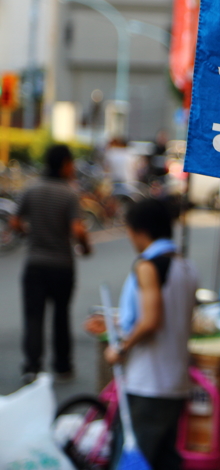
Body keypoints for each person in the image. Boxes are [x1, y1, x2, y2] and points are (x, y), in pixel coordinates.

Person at [106, 198, 198, 470]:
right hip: (176, 382)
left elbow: (151, 321)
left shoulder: (147, 266)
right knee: (163, 458)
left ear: (139, 230)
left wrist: (120, 349)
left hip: (148, 383)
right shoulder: (187, 267)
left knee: (131, 459)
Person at [10, 144, 90, 383]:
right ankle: (62, 366)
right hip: (62, 265)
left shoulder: (31, 189)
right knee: (61, 315)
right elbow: (77, 229)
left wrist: (29, 233)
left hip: (35, 264)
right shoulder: (69, 193)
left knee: (34, 316)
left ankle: (32, 367)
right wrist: (85, 246)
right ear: (65, 164)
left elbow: (14, 221)